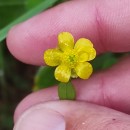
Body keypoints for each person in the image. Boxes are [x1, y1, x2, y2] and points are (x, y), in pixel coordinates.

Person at [7, 0, 130, 129]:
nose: (71, 58)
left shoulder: (82, 58)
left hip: (79, 67)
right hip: (64, 70)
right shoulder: (58, 60)